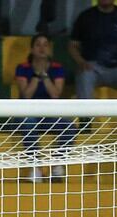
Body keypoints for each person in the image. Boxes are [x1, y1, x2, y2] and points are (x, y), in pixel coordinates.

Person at [15, 34, 77, 183]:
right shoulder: (22, 68)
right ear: (32, 49)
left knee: (69, 126)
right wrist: (37, 76)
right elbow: (27, 95)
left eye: (45, 45)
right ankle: (36, 166)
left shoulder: (57, 68)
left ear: (50, 49)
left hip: (49, 115)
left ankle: (57, 165)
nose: (42, 48)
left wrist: (45, 75)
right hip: (26, 114)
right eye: (38, 44)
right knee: (28, 122)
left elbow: (55, 94)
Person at [69, 0, 117, 100]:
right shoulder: (85, 17)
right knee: (84, 75)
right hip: (94, 68)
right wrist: (80, 62)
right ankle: (86, 115)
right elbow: (73, 45)